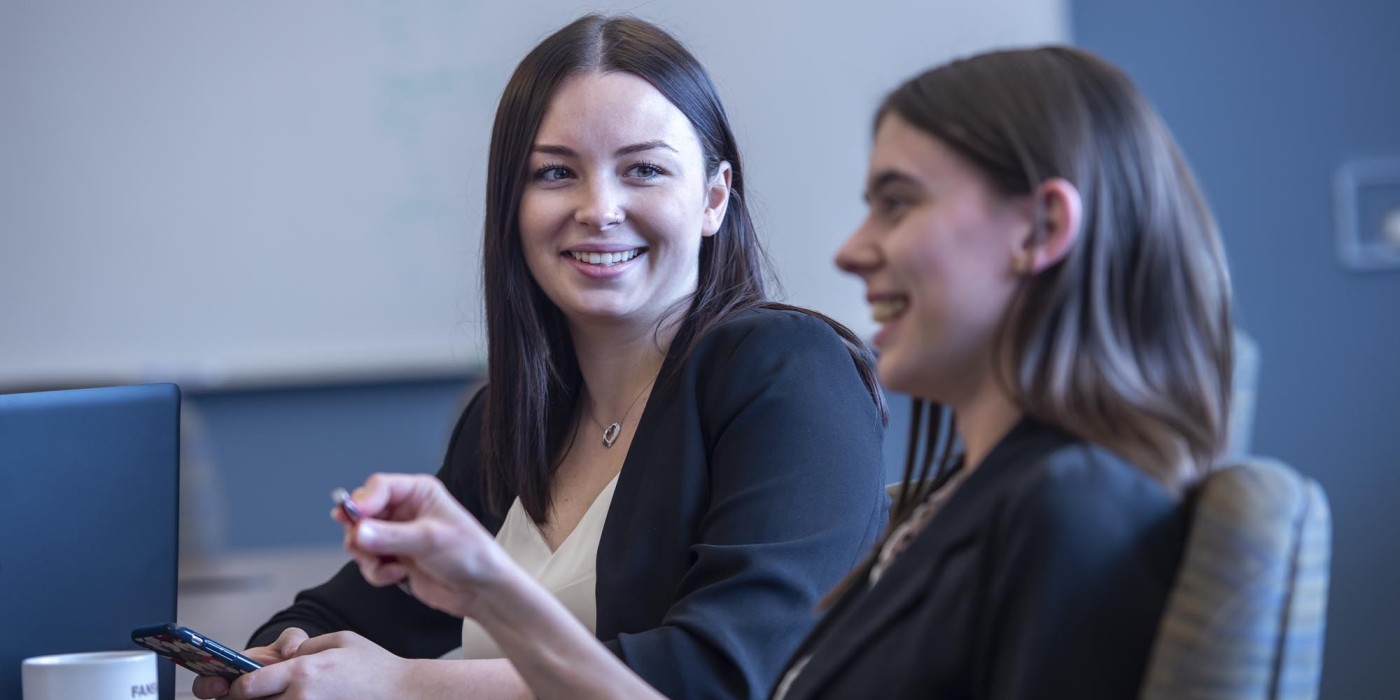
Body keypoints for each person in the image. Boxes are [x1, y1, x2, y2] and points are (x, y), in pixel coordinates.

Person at [319, 43, 1236, 699]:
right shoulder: (981, 501)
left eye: (897, 203)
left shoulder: (1071, 508)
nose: (850, 250)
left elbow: (723, 682)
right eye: (554, 174)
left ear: (1040, 230)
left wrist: (430, 657)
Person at [193, 15, 888, 700]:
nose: (600, 208)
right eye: (556, 173)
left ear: (713, 197)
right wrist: (284, 658)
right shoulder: (513, 411)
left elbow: (723, 676)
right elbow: (337, 617)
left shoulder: (789, 372)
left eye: (644, 169)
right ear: (512, 207)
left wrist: (409, 686)